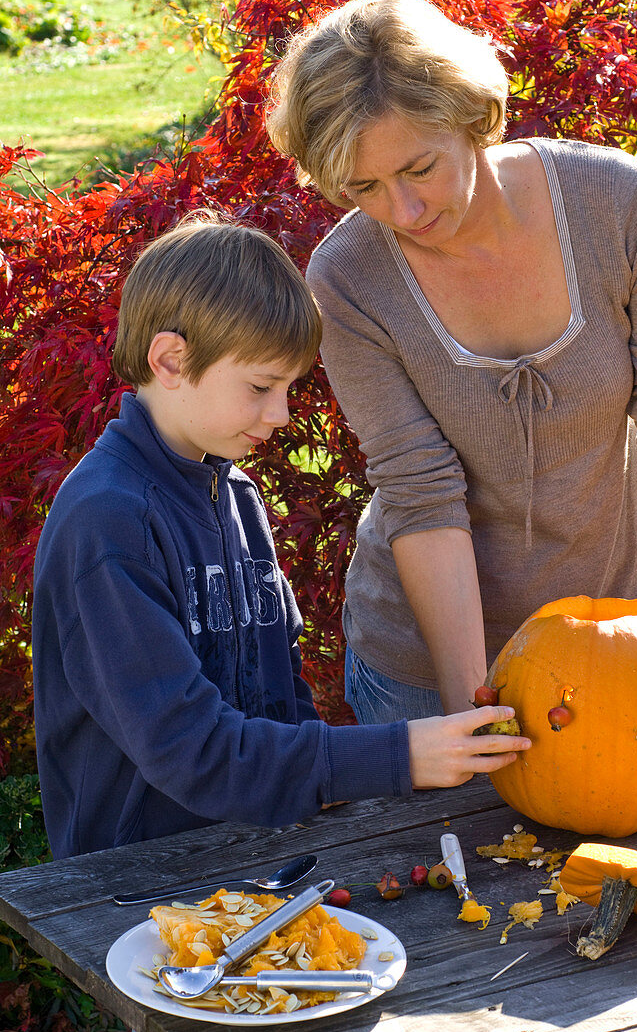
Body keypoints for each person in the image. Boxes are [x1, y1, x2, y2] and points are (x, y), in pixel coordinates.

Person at [265, 0, 637, 729]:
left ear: (468, 114)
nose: (404, 213)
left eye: (419, 168)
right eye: (363, 188)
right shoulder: (347, 278)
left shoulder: (616, 205)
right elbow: (418, 486)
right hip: (421, 668)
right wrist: (468, 704)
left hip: (627, 641)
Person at [31, 213, 528, 861]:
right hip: (137, 888)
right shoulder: (107, 525)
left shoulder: (235, 496)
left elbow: (280, 694)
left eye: (288, 387)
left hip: (257, 858)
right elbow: (193, 751)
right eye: (262, 386)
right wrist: (400, 753)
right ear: (171, 360)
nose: (280, 414)